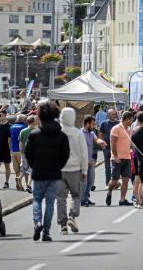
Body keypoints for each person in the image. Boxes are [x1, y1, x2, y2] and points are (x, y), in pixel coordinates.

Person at [25, 101, 70, 242]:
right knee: (50, 203)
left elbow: (28, 153)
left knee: (37, 199)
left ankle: (37, 222)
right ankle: (46, 232)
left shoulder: (34, 134)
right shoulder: (61, 135)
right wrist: (58, 166)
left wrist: (34, 166)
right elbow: (65, 155)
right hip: (54, 173)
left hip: (38, 172)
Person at [57, 108, 89, 235]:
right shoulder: (78, 133)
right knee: (76, 195)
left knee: (60, 198)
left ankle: (63, 225)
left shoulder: (57, 132)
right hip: (75, 169)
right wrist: (85, 170)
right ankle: (72, 216)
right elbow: (84, 153)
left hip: (59, 169)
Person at [106, 111, 135, 207]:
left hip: (127, 158)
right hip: (116, 158)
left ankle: (122, 199)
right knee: (114, 180)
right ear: (127, 119)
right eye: (131, 120)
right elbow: (112, 143)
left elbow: (129, 143)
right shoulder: (116, 128)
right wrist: (115, 156)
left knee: (126, 179)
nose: (132, 121)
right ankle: (109, 192)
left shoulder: (129, 130)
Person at [99, 109, 119, 186]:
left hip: (116, 148)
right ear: (108, 115)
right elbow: (100, 134)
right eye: (113, 114)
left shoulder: (118, 123)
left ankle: (115, 182)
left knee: (116, 166)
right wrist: (102, 144)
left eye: (115, 114)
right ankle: (108, 183)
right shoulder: (104, 123)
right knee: (107, 166)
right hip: (106, 148)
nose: (115, 115)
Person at [18, 115, 37, 194]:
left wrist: (21, 152)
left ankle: (19, 177)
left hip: (24, 153)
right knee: (32, 169)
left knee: (24, 168)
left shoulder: (23, 131)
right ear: (33, 122)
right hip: (33, 154)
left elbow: (20, 143)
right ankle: (29, 185)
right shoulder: (36, 131)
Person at [0, 110, 12, 188]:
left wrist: (9, 148)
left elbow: (9, 139)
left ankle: (6, 182)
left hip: (6, 149)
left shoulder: (9, 126)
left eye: (0, 115)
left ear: (4, 115)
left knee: (7, 166)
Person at [10, 114, 27, 190]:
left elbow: (9, 138)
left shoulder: (12, 127)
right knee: (24, 168)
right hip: (21, 150)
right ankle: (26, 185)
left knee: (16, 169)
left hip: (13, 150)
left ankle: (18, 185)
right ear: (23, 120)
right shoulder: (24, 127)